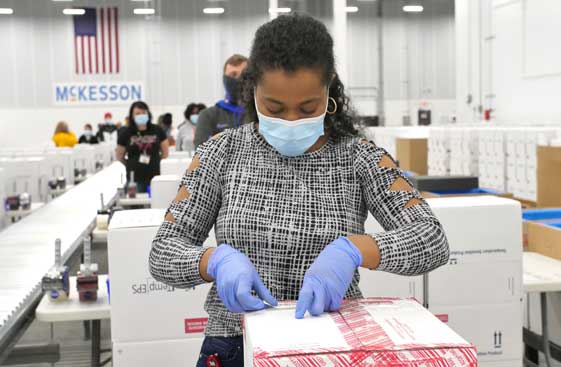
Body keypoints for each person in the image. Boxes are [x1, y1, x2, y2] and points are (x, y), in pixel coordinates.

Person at [149, 14, 449, 367]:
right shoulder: (221, 152)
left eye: (308, 108)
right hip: (235, 346)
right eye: (274, 108)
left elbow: (431, 239)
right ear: (252, 90)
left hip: (331, 346)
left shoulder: (360, 158)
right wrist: (213, 260)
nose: (291, 120)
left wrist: (356, 249)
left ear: (329, 88)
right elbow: (163, 252)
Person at [193, 55, 248, 148]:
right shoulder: (208, 115)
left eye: (244, 75)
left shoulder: (261, 115)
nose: (238, 79)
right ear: (225, 79)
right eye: (233, 74)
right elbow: (202, 154)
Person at [116, 101, 169, 193]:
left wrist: (155, 162)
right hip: (135, 178)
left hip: (155, 177)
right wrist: (131, 164)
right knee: (136, 205)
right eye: (137, 113)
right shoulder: (126, 132)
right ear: (132, 116)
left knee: (155, 204)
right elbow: (119, 156)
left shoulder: (157, 130)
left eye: (143, 112)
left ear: (148, 113)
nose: (141, 115)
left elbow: (165, 153)